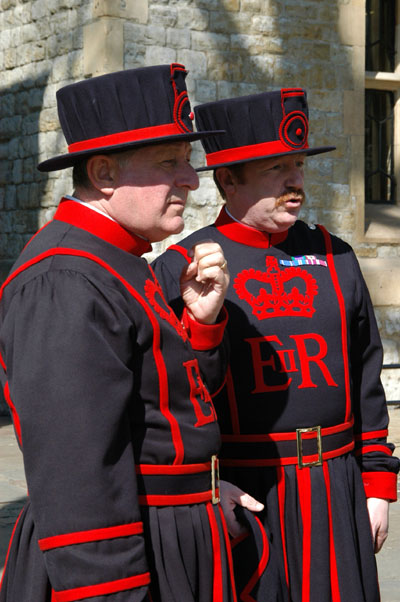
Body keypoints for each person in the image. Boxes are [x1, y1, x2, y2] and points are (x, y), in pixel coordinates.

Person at [0, 63, 265, 602]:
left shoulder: (117, 259)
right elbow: (78, 479)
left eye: (188, 162)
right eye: (170, 163)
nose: (191, 180)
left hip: (174, 531)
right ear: (103, 174)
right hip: (128, 557)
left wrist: (203, 324)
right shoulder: (65, 280)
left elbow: (162, 414)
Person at [152, 88, 400, 602]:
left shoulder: (337, 256)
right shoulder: (180, 268)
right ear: (227, 180)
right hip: (248, 497)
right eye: (275, 169)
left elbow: (366, 379)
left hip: (338, 488)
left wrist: (378, 486)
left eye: (299, 166)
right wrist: (207, 486)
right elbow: (167, 401)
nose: (296, 182)